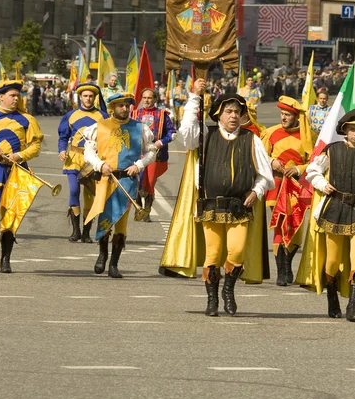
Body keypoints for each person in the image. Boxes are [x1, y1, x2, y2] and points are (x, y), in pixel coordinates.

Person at [177, 79, 274, 316]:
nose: (233, 116)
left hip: (239, 208)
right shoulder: (206, 136)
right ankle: (212, 300)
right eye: (229, 111)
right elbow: (186, 135)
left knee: (237, 251)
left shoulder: (252, 140)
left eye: (237, 112)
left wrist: (255, 192)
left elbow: (266, 176)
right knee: (212, 254)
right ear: (219, 115)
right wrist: (194, 97)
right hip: (211, 207)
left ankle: (228, 291)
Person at [304, 109, 355, 322]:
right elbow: (311, 171)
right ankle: (332, 295)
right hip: (335, 208)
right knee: (332, 262)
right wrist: (322, 184)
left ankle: (353, 306)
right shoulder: (332, 150)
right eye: (352, 129)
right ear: (345, 130)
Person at [0, 80, 44, 273]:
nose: (16, 99)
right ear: (1, 97)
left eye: (17, 95)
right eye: (12, 95)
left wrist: (19, 156)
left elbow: (35, 146)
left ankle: (6, 258)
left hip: (16, 172)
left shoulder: (27, 119)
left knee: (11, 217)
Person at [83, 93, 157, 278]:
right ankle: (102, 255)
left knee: (121, 223)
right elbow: (88, 153)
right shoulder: (99, 127)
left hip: (127, 181)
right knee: (105, 218)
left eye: (127, 105)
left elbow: (151, 152)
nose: (124, 109)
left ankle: (114, 264)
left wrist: (138, 165)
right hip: (105, 180)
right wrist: (100, 165)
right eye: (120, 105)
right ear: (112, 108)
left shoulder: (140, 128)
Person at [263, 96, 314, 286]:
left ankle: (288, 264)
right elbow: (261, 156)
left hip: (298, 187)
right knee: (279, 223)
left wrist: (300, 169)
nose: (283, 118)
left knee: (294, 226)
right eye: (282, 114)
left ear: (296, 117)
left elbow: (317, 162)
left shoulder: (308, 136)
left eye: (287, 115)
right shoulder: (271, 133)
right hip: (276, 186)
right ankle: (281, 271)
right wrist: (272, 162)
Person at [57, 83, 108, 242]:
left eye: (91, 96)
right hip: (74, 157)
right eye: (85, 96)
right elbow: (63, 136)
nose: (88, 98)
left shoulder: (103, 116)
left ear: (94, 98)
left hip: (92, 160)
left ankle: (86, 232)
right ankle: (76, 230)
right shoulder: (71, 115)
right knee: (73, 191)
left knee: (89, 197)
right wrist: (62, 150)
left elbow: (108, 138)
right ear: (80, 97)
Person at [132, 88, 176, 222]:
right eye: (144, 98)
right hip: (137, 154)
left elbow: (172, 133)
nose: (146, 100)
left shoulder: (162, 114)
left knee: (150, 182)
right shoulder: (134, 114)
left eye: (149, 98)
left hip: (155, 154)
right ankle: (139, 208)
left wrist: (161, 142)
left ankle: (147, 210)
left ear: (155, 99)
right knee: (139, 182)